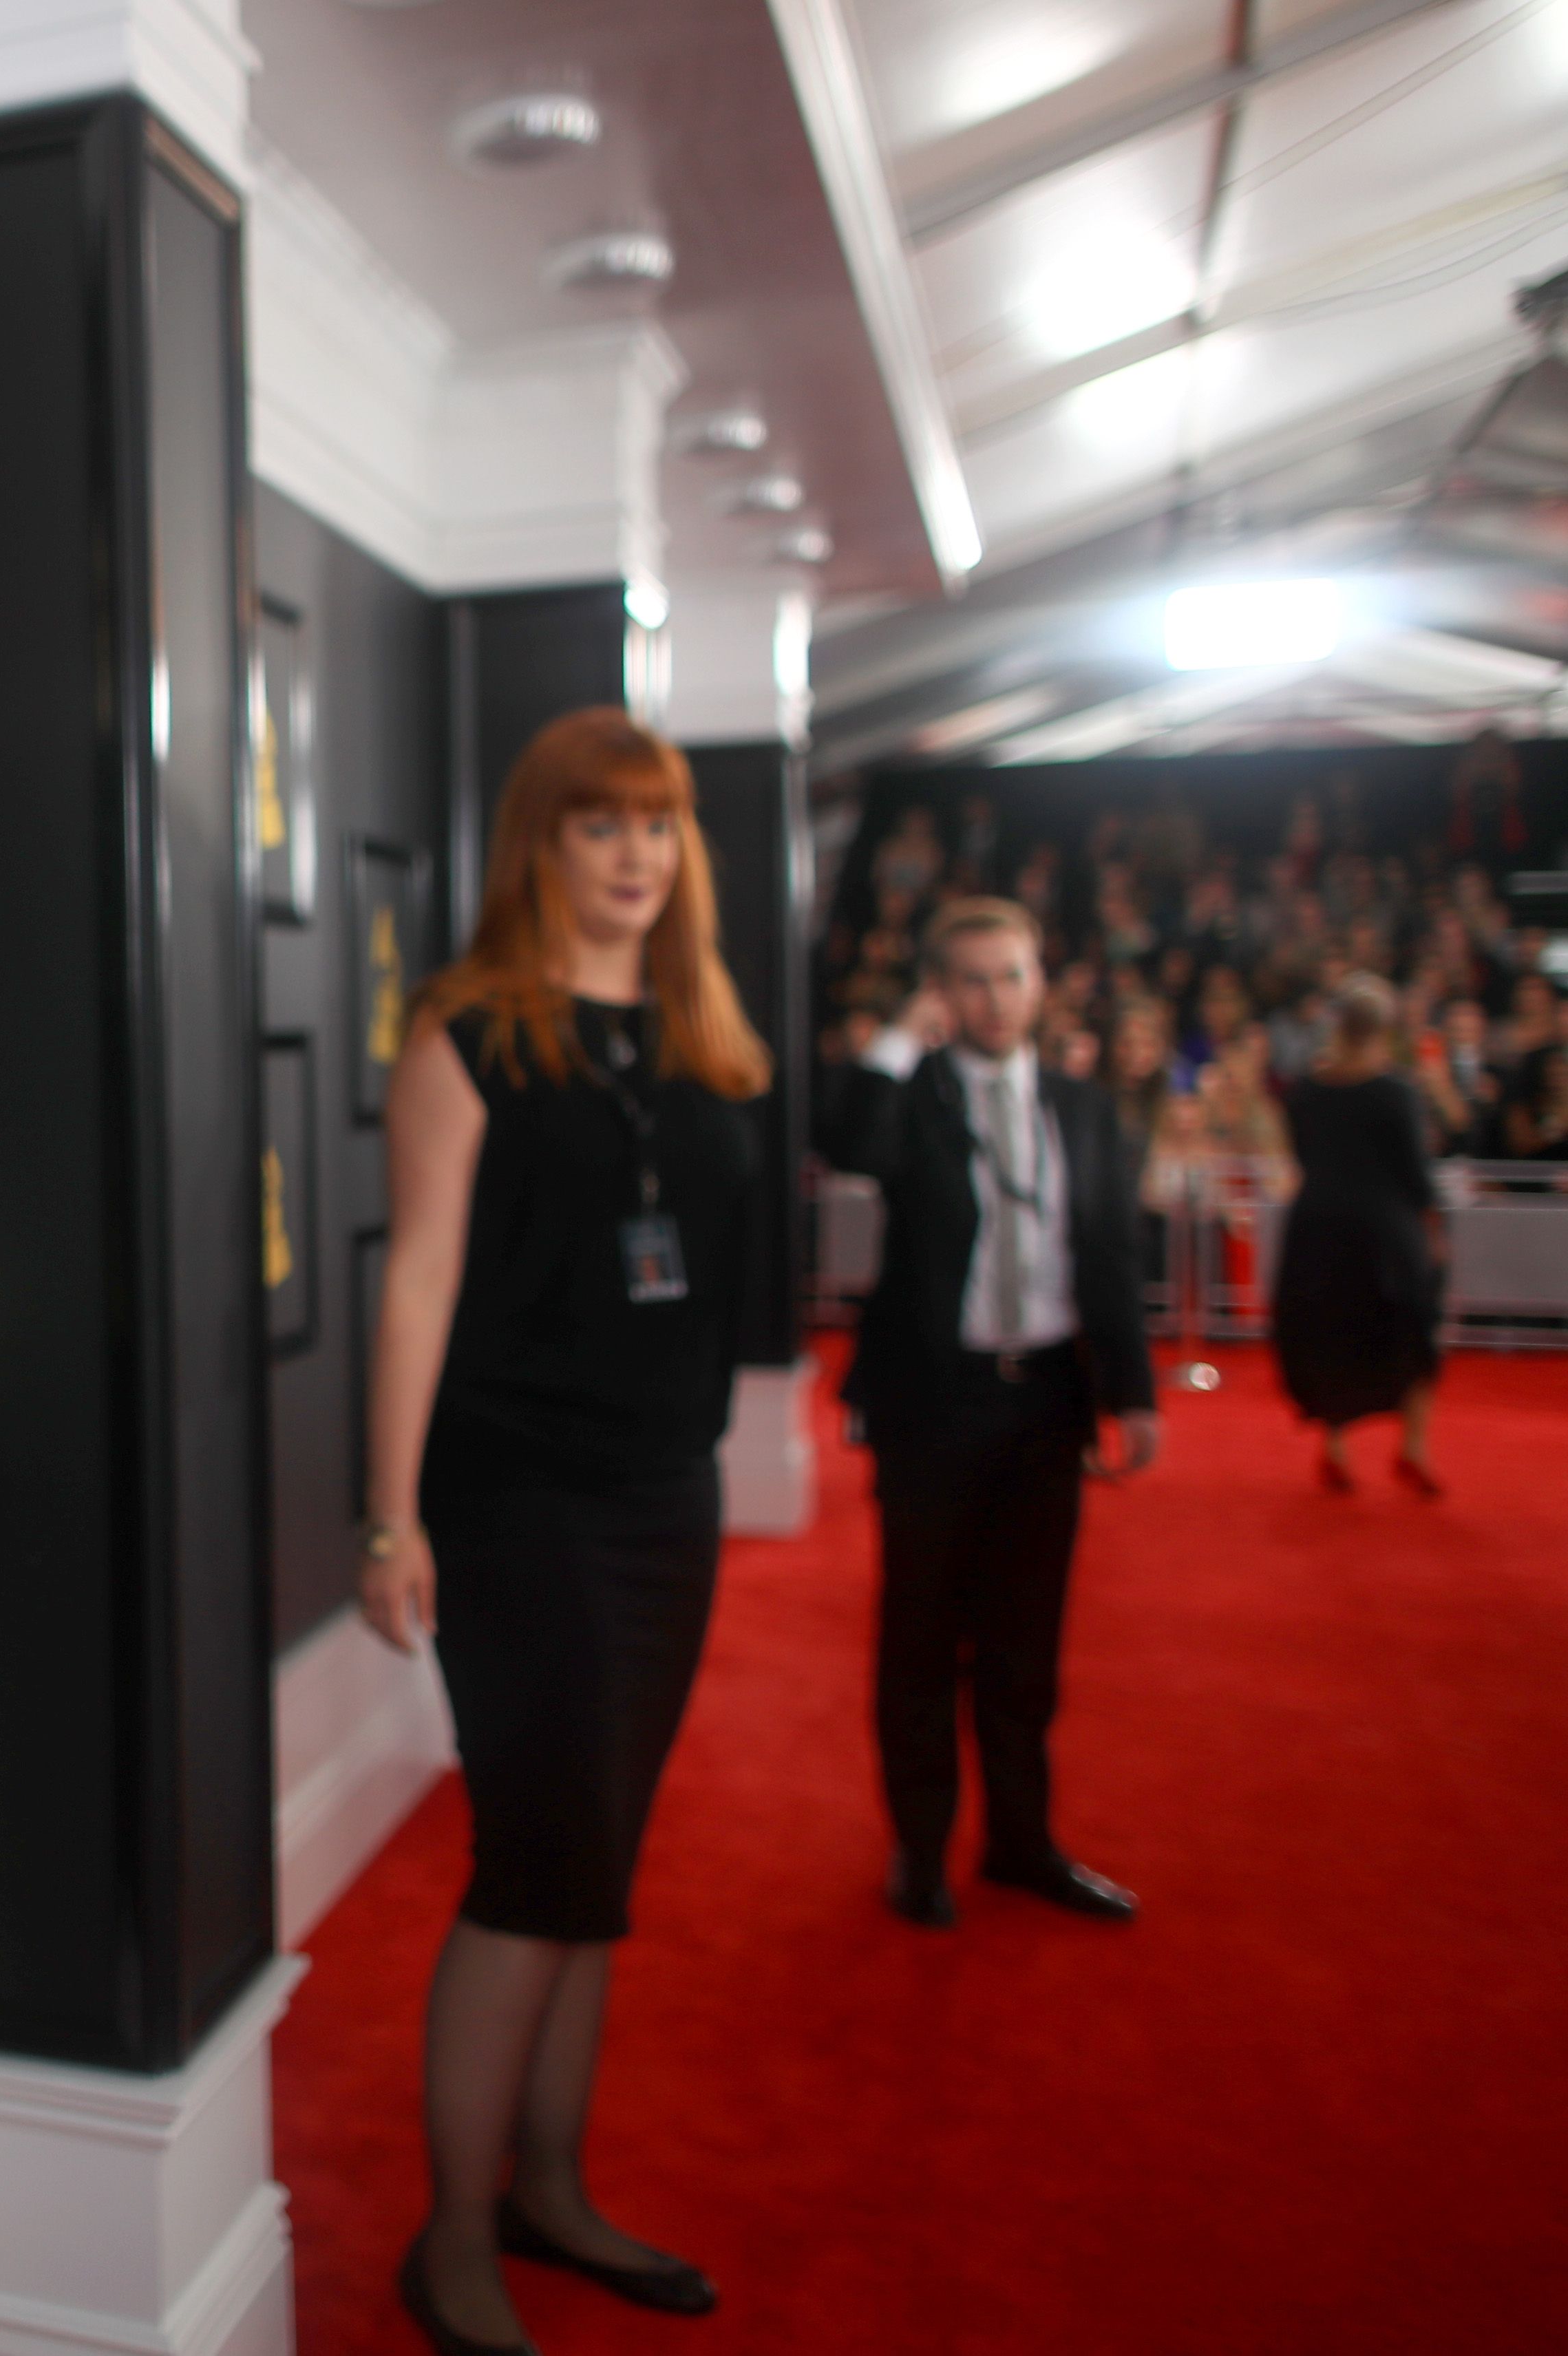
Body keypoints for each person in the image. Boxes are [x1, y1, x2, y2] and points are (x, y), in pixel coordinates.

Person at [360, 708, 771, 2355]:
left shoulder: (698, 1038)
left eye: (656, 828)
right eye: (599, 826)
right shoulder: (466, 1032)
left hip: (668, 1494)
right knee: (533, 1869)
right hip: (516, 1501)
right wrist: (387, 1518)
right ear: (541, 843)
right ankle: (452, 2235)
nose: (632, 857)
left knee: (592, 1867)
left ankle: (550, 2188)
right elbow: (418, 1279)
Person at [820, 898, 1158, 1932]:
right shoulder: (910, 1097)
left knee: (1025, 1643)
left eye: (1011, 974)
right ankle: (919, 1852)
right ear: (940, 991)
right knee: (919, 1638)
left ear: (1040, 982)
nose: (995, 998)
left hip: (1047, 1400)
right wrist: (894, 1037)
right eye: (970, 977)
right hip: (935, 1404)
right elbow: (847, 1141)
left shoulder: (1085, 1107)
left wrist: (1133, 1392)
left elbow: (1108, 1260)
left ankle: (1021, 1843)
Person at [1273, 975, 1446, 1496]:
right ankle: (1413, 1444)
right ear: (1386, 1028)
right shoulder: (1398, 1093)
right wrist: (1434, 1229)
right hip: (1386, 1232)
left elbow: (1302, 1155)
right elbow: (1417, 1175)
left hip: (1318, 1228)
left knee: (1332, 1333)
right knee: (1416, 1330)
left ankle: (1335, 1446)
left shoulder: (1305, 1090)